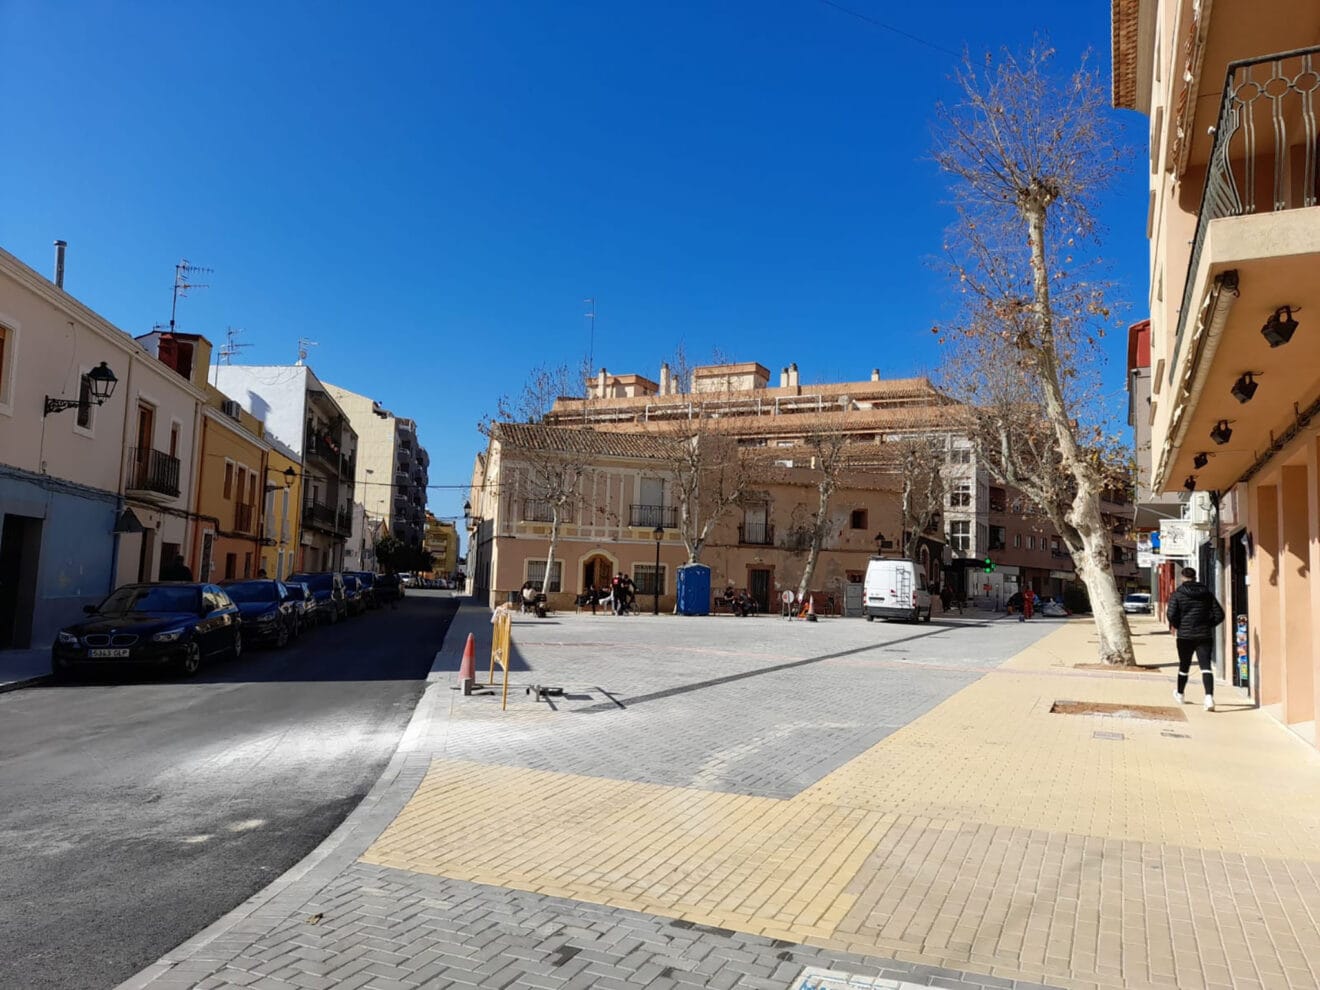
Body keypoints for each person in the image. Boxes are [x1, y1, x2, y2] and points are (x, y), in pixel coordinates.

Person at [1166, 566, 1225, 711]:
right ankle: (1209, 697)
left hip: (1185, 636)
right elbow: (1219, 614)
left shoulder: (1178, 594)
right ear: (1195, 576)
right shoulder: (1207, 594)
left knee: (1184, 666)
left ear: (1182, 577)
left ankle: (1180, 694)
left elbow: (1171, 614)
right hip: (1204, 635)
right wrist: (1207, 624)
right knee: (1206, 667)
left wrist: (1179, 625)